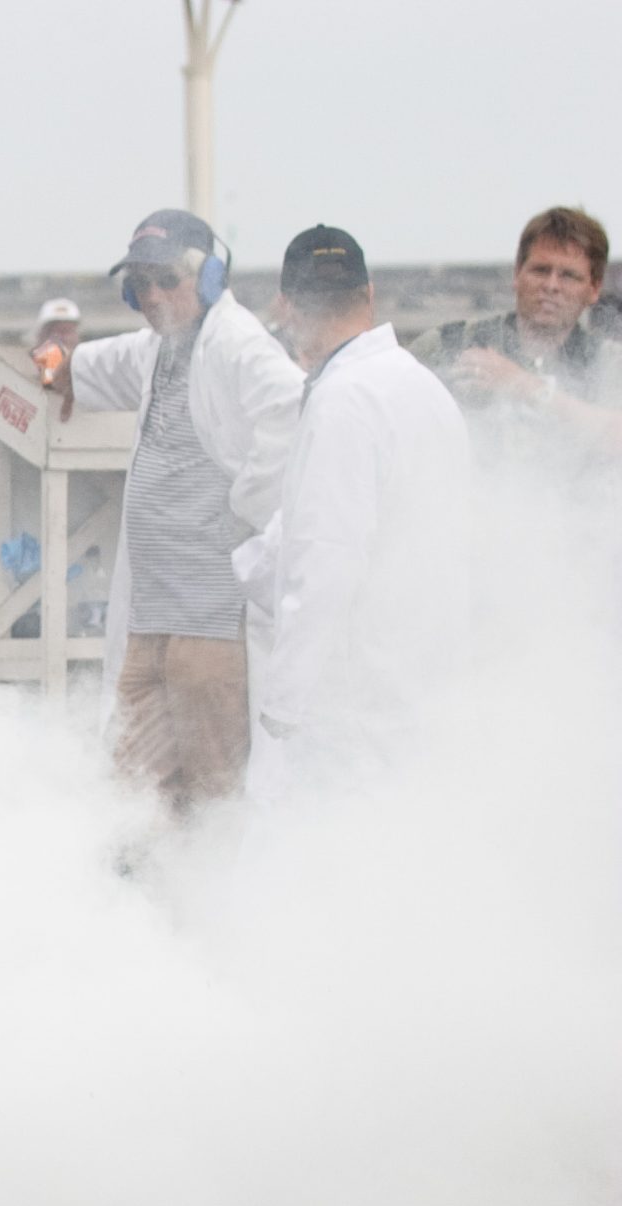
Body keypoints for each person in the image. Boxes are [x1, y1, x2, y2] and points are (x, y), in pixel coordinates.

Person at [48, 208, 302, 811]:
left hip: (211, 626)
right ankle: (147, 901)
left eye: (168, 280)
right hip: (152, 623)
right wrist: (56, 368)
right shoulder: (159, 346)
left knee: (214, 793)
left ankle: (210, 901)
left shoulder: (238, 344)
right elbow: (95, 365)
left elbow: (292, 414)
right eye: (140, 285)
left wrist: (243, 511)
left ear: (210, 278)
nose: (154, 296)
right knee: (132, 791)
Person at [240, 227, 471, 801]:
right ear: (368, 295)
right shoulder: (424, 388)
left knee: (321, 868)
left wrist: (284, 705)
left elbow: (325, 564)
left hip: (353, 706)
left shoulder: (342, 401)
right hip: (425, 686)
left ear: (286, 306)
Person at [410, 206, 622, 460]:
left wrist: (524, 386)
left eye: (569, 276)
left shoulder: (610, 363)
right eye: (540, 270)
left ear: (594, 288)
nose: (551, 286)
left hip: (577, 499)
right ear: (517, 273)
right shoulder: (451, 343)